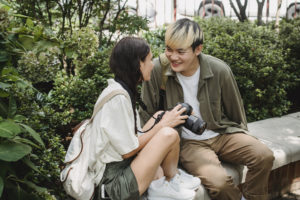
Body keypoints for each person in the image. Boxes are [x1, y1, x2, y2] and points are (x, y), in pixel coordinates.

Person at [139, 18, 275, 200]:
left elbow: (236, 112)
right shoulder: (159, 70)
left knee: (264, 156)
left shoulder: (219, 70)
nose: (173, 57)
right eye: (169, 49)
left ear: (198, 49)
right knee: (220, 184)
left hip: (222, 133)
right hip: (189, 143)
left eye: (181, 51)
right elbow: (146, 116)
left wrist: (242, 138)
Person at [92, 37, 199, 200]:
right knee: (167, 133)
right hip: (115, 186)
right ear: (138, 65)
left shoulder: (120, 88)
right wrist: (163, 125)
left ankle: (172, 179)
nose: (152, 65)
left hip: (120, 168)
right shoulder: (118, 99)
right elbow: (128, 151)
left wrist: (161, 121)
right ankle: (160, 187)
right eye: (149, 60)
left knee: (159, 116)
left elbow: (129, 140)